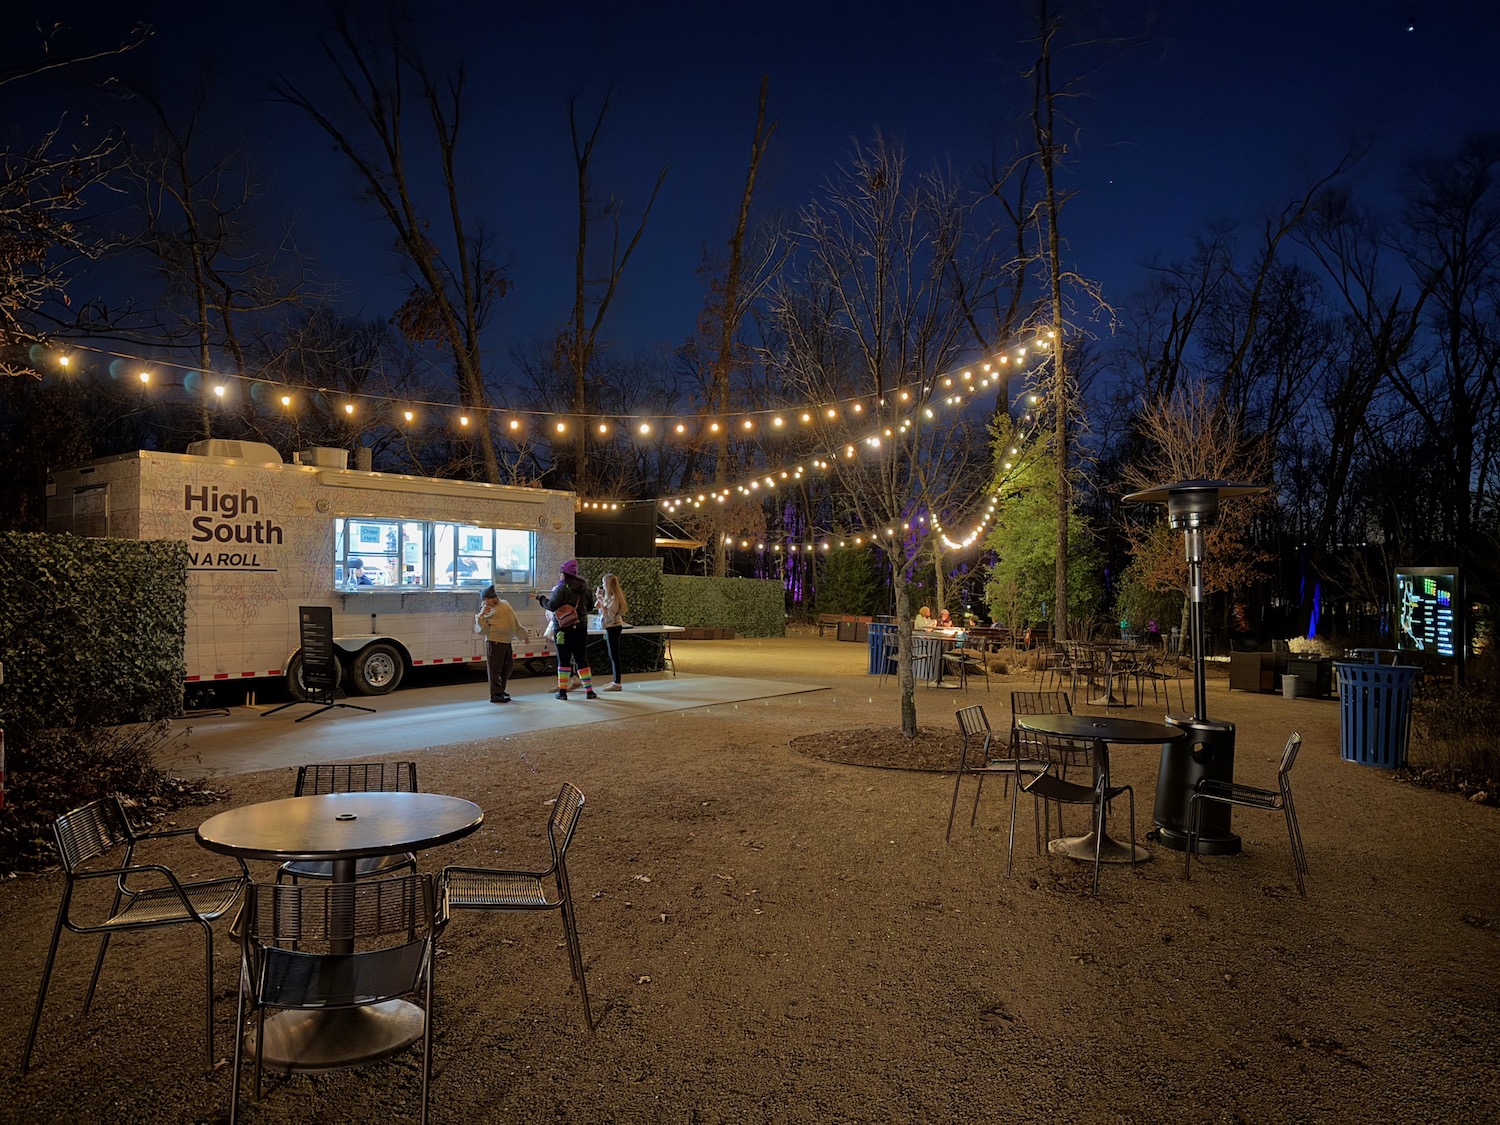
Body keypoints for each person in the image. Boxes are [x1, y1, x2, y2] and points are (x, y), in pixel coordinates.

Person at [538, 559, 596, 700]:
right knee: (581, 659)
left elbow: (551, 605)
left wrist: (541, 599)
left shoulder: (562, 588)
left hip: (562, 630)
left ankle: (562, 692)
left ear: (564, 573)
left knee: (563, 660)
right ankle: (589, 691)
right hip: (580, 627)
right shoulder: (585, 588)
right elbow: (590, 607)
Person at [475, 586, 523, 703]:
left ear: (492, 598)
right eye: (484, 600)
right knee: (495, 669)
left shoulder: (504, 604)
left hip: (506, 640)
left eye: (486, 599)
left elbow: (513, 620)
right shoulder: (487, 610)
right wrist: (480, 615)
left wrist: (522, 633)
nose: (485, 602)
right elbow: (482, 629)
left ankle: (501, 689)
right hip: (494, 641)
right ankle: (495, 694)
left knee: (508, 666)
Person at [596, 572, 629, 691]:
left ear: (609, 584)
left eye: (604, 583)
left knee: (614, 655)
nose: (603, 585)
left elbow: (609, 616)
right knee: (612, 655)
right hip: (610, 628)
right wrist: (600, 603)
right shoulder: (609, 597)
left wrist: (601, 607)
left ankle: (617, 683)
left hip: (614, 628)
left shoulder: (614, 598)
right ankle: (615, 681)